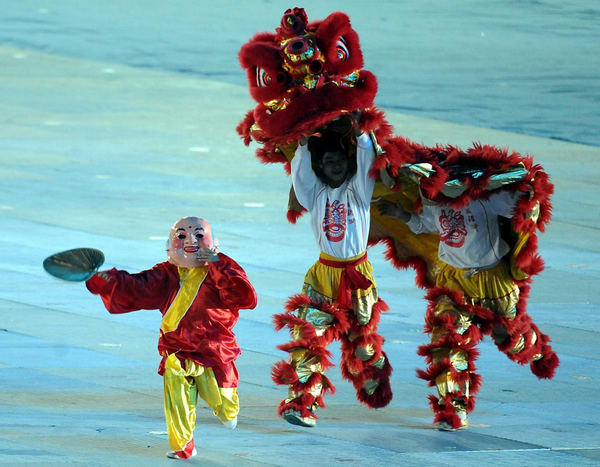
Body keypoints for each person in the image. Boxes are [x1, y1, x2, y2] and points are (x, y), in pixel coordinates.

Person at [378, 190, 559, 431]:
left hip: (494, 280)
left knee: (509, 335)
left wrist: (529, 191)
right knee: (446, 342)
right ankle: (453, 408)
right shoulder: (434, 197)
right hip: (454, 281)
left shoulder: (486, 198)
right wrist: (403, 215)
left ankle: (538, 352)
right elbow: (427, 223)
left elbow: (520, 207)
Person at [85, 217, 257, 459]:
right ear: (169, 246)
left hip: (215, 351)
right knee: (177, 399)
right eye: (181, 235)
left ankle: (227, 411)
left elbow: (244, 297)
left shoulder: (225, 268)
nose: (190, 240)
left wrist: (216, 264)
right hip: (177, 350)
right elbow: (136, 287)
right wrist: (103, 280)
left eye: (199, 235)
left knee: (226, 406)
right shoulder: (166, 273)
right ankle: (183, 446)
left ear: (214, 243)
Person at [272, 115, 393, 427]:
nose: (335, 165)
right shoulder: (315, 194)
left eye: (339, 159)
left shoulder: (359, 189)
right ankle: (301, 404)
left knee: (362, 346)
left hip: (358, 278)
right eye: (328, 161)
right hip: (323, 277)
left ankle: (374, 369)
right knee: (308, 337)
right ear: (320, 166)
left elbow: (366, 155)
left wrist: (361, 127)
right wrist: (301, 140)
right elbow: (300, 173)